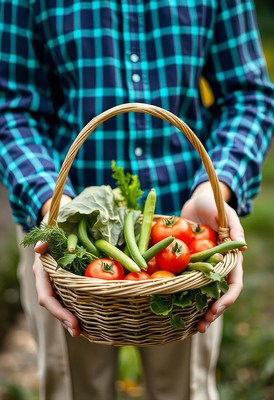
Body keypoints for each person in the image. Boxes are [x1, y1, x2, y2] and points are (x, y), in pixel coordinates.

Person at [0, 1, 273, 399]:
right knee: (74, 390)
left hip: (186, 234)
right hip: (67, 241)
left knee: (186, 391)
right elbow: (12, 108)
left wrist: (216, 188)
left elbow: (248, 94)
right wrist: (54, 212)